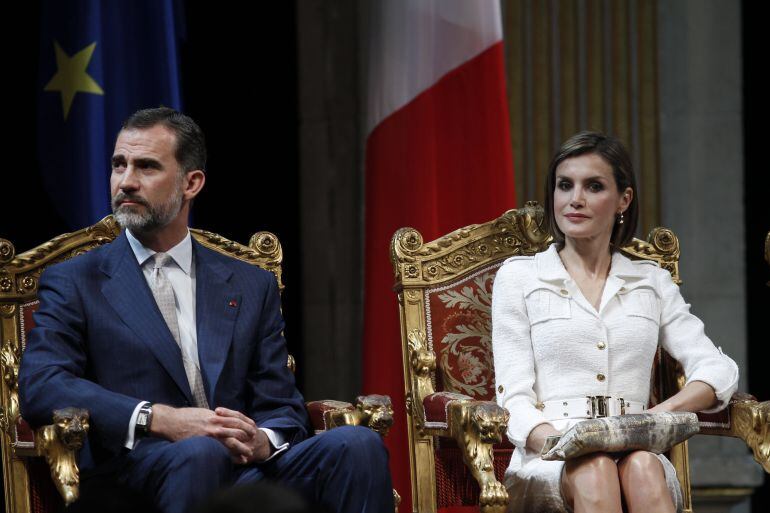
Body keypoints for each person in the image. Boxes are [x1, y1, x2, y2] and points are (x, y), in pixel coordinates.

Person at [19, 107, 393, 513]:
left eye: (146, 167)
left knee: (358, 444)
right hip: (138, 469)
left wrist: (261, 440)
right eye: (118, 164)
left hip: (242, 466)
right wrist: (158, 418)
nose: (126, 181)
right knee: (201, 453)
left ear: (191, 183)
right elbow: (43, 384)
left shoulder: (250, 284)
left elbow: (281, 405)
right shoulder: (77, 279)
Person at [491, 132, 739, 513]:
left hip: (638, 445)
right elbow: (515, 399)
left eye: (593, 186)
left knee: (642, 467)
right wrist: (565, 443)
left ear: (624, 199)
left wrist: (656, 416)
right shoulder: (520, 277)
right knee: (595, 469)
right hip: (549, 456)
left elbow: (717, 370)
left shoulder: (651, 281)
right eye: (564, 186)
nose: (575, 199)